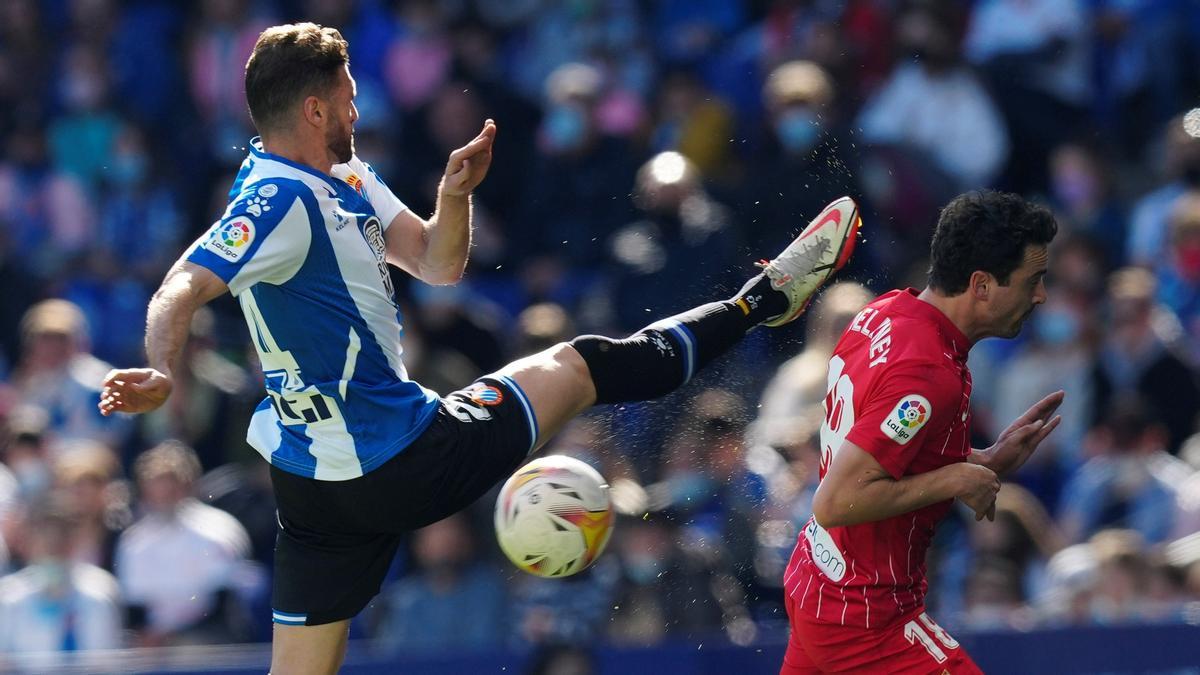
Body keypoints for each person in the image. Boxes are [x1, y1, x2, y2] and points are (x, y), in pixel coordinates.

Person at [95, 23, 860, 675]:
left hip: (313, 490)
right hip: (401, 457)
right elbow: (181, 285)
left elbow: (437, 262)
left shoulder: (342, 177)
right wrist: (163, 368)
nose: (360, 106)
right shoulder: (275, 201)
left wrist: (453, 197)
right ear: (314, 105)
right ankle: (760, 303)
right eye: (350, 94)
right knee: (582, 364)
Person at [780, 191, 1064, 674]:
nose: (1040, 296)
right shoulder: (928, 373)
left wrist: (980, 462)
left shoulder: (885, 312)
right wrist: (955, 480)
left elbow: (877, 447)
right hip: (866, 618)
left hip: (818, 582)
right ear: (981, 285)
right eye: (1032, 280)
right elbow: (834, 501)